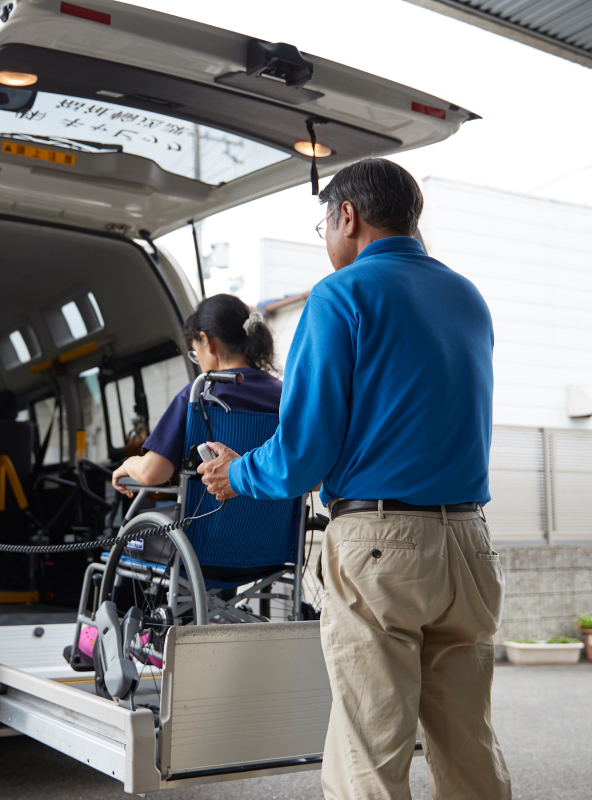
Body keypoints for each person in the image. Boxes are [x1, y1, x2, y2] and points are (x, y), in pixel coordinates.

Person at [198, 158, 512, 800]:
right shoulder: (466, 297)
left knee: (371, 746)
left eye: (325, 224)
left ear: (349, 216)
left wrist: (238, 474)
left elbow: (302, 456)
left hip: (380, 545)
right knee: (467, 742)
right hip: (470, 544)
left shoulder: (342, 296)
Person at [112, 294, 281, 496]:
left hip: (208, 525)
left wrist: (128, 464)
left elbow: (152, 473)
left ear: (207, 341)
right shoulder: (284, 394)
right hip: (279, 525)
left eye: (194, 352)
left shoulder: (199, 393)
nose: (198, 361)